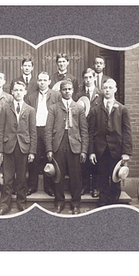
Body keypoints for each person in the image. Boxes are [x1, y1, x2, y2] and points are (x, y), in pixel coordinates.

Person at [45, 80, 88, 214]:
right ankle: (59, 202)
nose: (67, 91)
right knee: (58, 176)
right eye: (65, 89)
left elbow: (84, 130)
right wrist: (49, 149)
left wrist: (84, 150)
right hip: (58, 143)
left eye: (69, 89)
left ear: (73, 91)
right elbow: (48, 130)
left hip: (74, 144)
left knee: (76, 176)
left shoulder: (79, 108)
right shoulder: (53, 108)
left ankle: (76, 203)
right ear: (60, 91)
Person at [88, 78, 132, 206]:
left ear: (115, 90)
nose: (107, 90)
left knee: (115, 179)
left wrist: (126, 152)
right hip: (100, 150)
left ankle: (114, 204)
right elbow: (91, 132)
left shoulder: (122, 109)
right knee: (101, 177)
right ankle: (102, 204)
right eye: (105, 88)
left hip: (116, 150)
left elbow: (127, 132)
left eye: (110, 88)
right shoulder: (95, 110)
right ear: (102, 90)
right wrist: (91, 152)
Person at [0, 81, 37, 215]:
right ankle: (4, 206)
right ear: (12, 92)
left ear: (25, 92)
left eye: (20, 90)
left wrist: (32, 151)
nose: (18, 92)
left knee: (22, 178)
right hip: (8, 147)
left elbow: (33, 132)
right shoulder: (5, 109)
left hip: (23, 147)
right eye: (16, 90)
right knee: (7, 178)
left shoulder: (30, 110)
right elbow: (0, 130)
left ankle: (21, 203)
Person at [25, 71, 61, 197]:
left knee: (49, 158)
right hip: (35, 129)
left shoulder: (56, 95)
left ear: (49, 81)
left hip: (49, 130)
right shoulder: (31, 96)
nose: (42, 83)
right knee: (33, 158)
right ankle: (32, 186)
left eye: (45, 80)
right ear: (37, 81)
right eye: (40, 80)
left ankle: (49, 187)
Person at [75, 68, 102, 197]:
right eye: (85, 77)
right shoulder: (78, 95)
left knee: (95, 160)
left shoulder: (101, 94)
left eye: (90, 77)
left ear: (94, 78)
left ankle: (96, 187)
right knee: (84, 160)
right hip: (82, 131)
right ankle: (84, 186)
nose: (88, 80)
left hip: (96, 131)